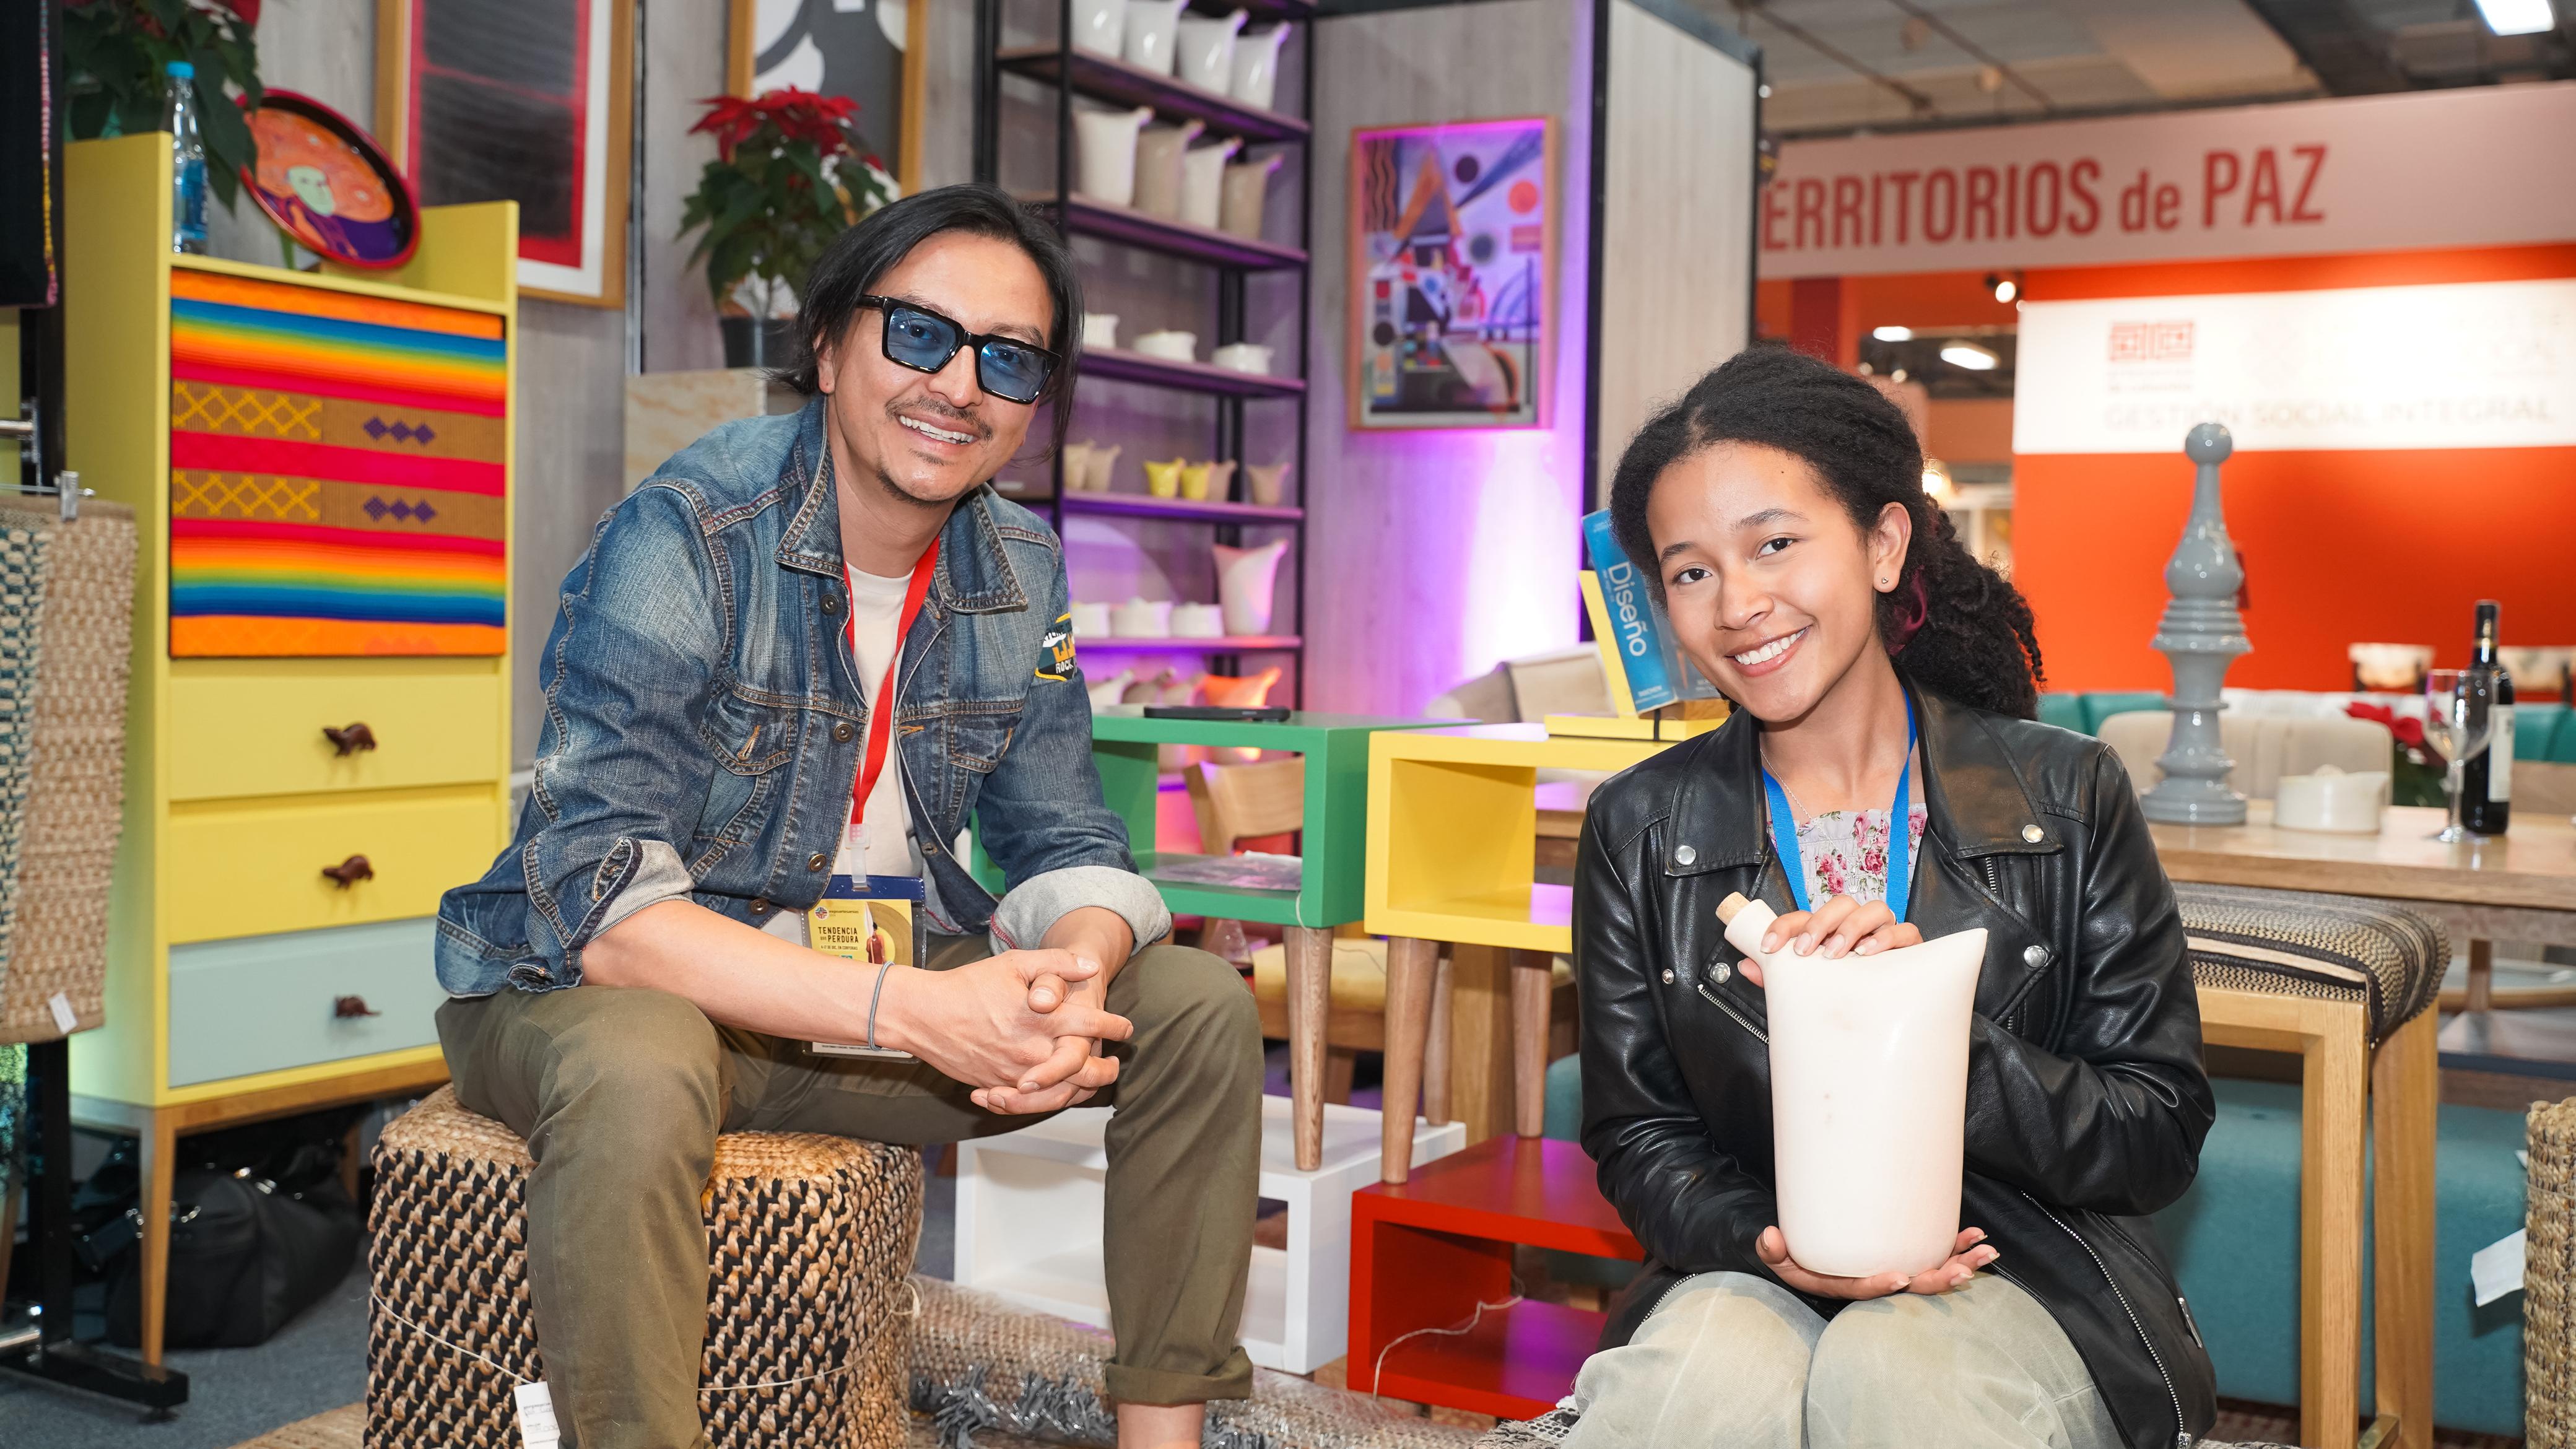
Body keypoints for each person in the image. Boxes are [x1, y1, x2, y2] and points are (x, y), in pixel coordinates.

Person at [432, 185, 1260, 1449]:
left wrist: (1073, 975)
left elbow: (1064, 838)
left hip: (856, 1000)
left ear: (1035, 406)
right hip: (606, 995)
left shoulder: (1020, 567)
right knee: (641, 1061)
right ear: (827, 347)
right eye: (919, 335)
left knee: (1194, 1008)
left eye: (1009, 359)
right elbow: (598, 895)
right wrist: (921, 1012)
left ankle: (1163, 1439)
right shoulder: (691, 531)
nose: (958, 386)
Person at [1565, 345, 2216, 1449]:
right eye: (1691, 573)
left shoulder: (2066, 794)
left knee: (1889, 1370)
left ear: (1882, 544)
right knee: (1689, 1395)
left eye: (1775, 544)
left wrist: (1930, 1036)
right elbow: (1643, 1140)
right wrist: (1770, 1241)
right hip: (1758, 1264)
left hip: (2026, 1271)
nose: (1739, 604)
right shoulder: (1639, 828)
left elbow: (2154, 1131)